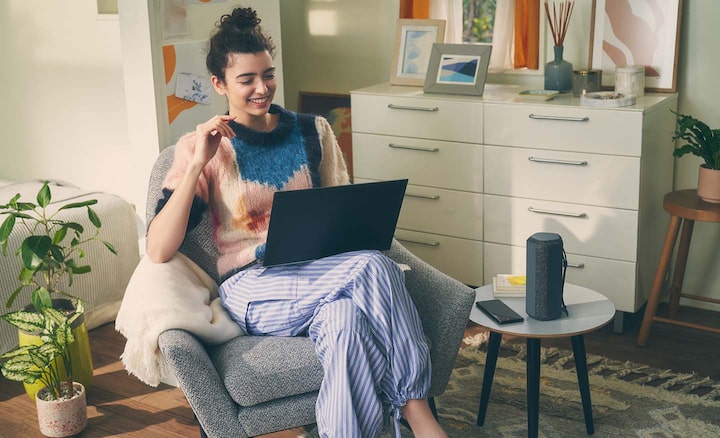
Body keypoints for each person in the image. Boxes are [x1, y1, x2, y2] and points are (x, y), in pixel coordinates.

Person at [146, 6, 446, 438]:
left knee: (347, 321)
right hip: (252, 287)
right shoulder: (201, 149)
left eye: (267, 75)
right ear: (219, 84)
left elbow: (344, 214)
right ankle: (416, 410)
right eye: (246, 79)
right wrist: (198, 164)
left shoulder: (312, 131)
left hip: (319, 275)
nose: (261, 88)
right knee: (372, 266)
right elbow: (158, 248)